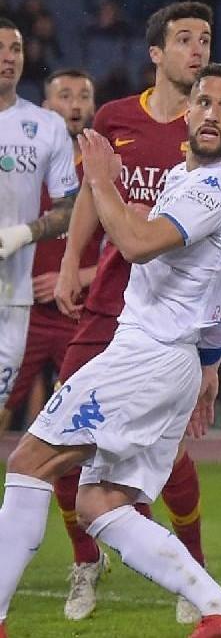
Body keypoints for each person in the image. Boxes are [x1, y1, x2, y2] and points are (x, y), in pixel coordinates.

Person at [0, 63, 221, 638]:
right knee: (99, 501)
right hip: (170, 360)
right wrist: (210, 367)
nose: (213, 113)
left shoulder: (219, 186)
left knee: (27, 463)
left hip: (146, 356)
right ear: (188, 111)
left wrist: (100, 181)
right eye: (205, 102)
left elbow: (139, 244)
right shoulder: (188, 178)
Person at [0, 56, 83, 430]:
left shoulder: (102, 171)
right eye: (65, 95)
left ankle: (69, 489)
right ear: (49, 106)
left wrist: (78, 275)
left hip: (69, 312)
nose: (76, 104)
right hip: (26, 307)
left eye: (84, 96)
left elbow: (120, 248)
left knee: (77, 415)